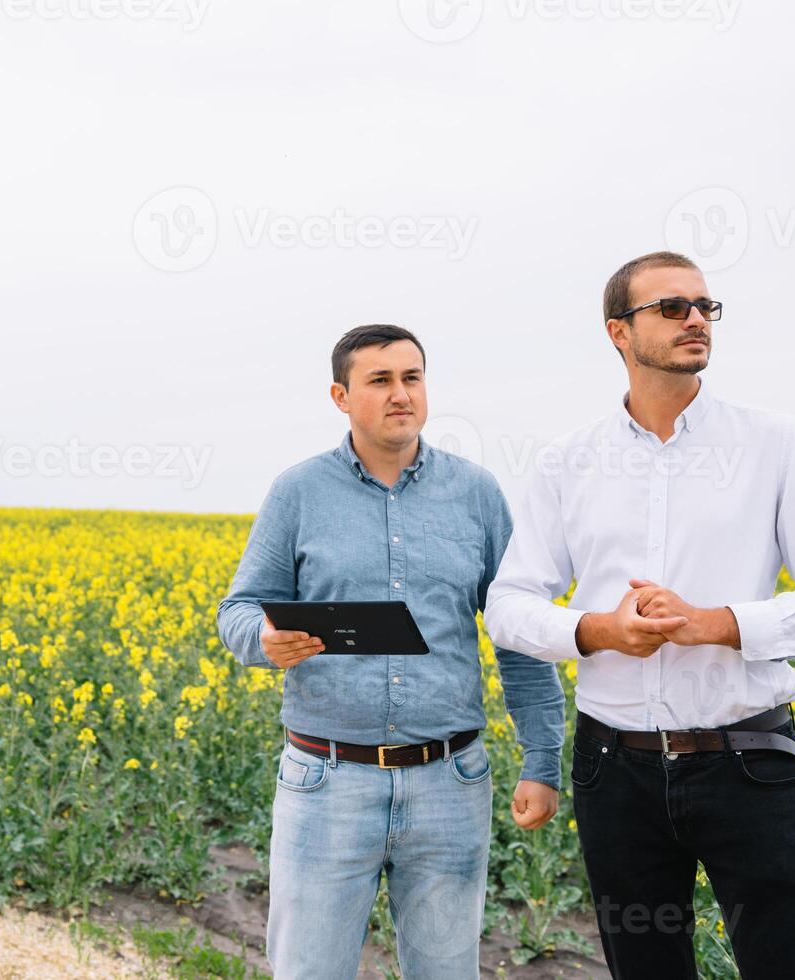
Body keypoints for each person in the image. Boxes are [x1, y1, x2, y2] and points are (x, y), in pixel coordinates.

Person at [483, 251, 795, 979]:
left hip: (749, 765)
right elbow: (508, 607)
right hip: (614, 770)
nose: (696, 319)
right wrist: (595, 631)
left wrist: (718, 623)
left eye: (705, 306)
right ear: (618, 332)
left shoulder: (774, 444)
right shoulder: (567, 461)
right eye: (671, 308)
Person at [216, 324, 565, 980]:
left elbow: (519, 634)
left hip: (449, 782)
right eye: (380, 380)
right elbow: (237, 611)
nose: (401, 393)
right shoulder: (298, 493)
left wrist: (542, 758)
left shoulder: (478, 495)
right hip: (325, 781)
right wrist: (263, 640)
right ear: (341, 396)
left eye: (413, 377)